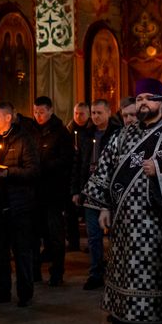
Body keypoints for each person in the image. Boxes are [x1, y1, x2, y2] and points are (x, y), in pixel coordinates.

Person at [83, 78, 162, 324]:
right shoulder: (123, 134)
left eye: (149, 98)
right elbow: (104, 170)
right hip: (124, 224)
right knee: (124, 276)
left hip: (159, 224)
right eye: (139, 98)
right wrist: (103, 207)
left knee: (154, 277)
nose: (143, 103)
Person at [0, 102, 40, 307]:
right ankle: (1, 291)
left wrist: (9, 172)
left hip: (19, 206)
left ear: (8, 117)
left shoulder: (24, 139)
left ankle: (25, 293)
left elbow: (33, 170)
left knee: (22, 251)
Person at [71, 99, 122, 290]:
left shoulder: (116, 134)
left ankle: (116, 270)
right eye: (93, 113)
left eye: (99, 112)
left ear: (109, 112)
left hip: (111, 190)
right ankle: (95, 272)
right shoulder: (86, 135)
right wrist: (76, 190)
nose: (95, 116)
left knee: (115, 235)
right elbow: (78, 164)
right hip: (90, 190)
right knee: (93, 235)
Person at [31, 96, 74, 286]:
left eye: (41, 112)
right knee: (36, 233)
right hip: (35, 191)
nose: (37, 116)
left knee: (55, 233)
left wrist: (44, 164)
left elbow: (67, 160)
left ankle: (57, 272)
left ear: (50, 110)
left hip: (54, 191)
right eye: (35, 112)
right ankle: (35, 272)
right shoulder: (32, 130)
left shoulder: (61, 133)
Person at [65, 103, 90, 251]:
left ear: (88, 114)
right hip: (72, 175)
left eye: (81, 114)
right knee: (70, 213)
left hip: (86, 173)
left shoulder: (91, 130)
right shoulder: (69, 131)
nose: (78, 117)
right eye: (76, 113)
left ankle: (90, 243)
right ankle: (73, 241)